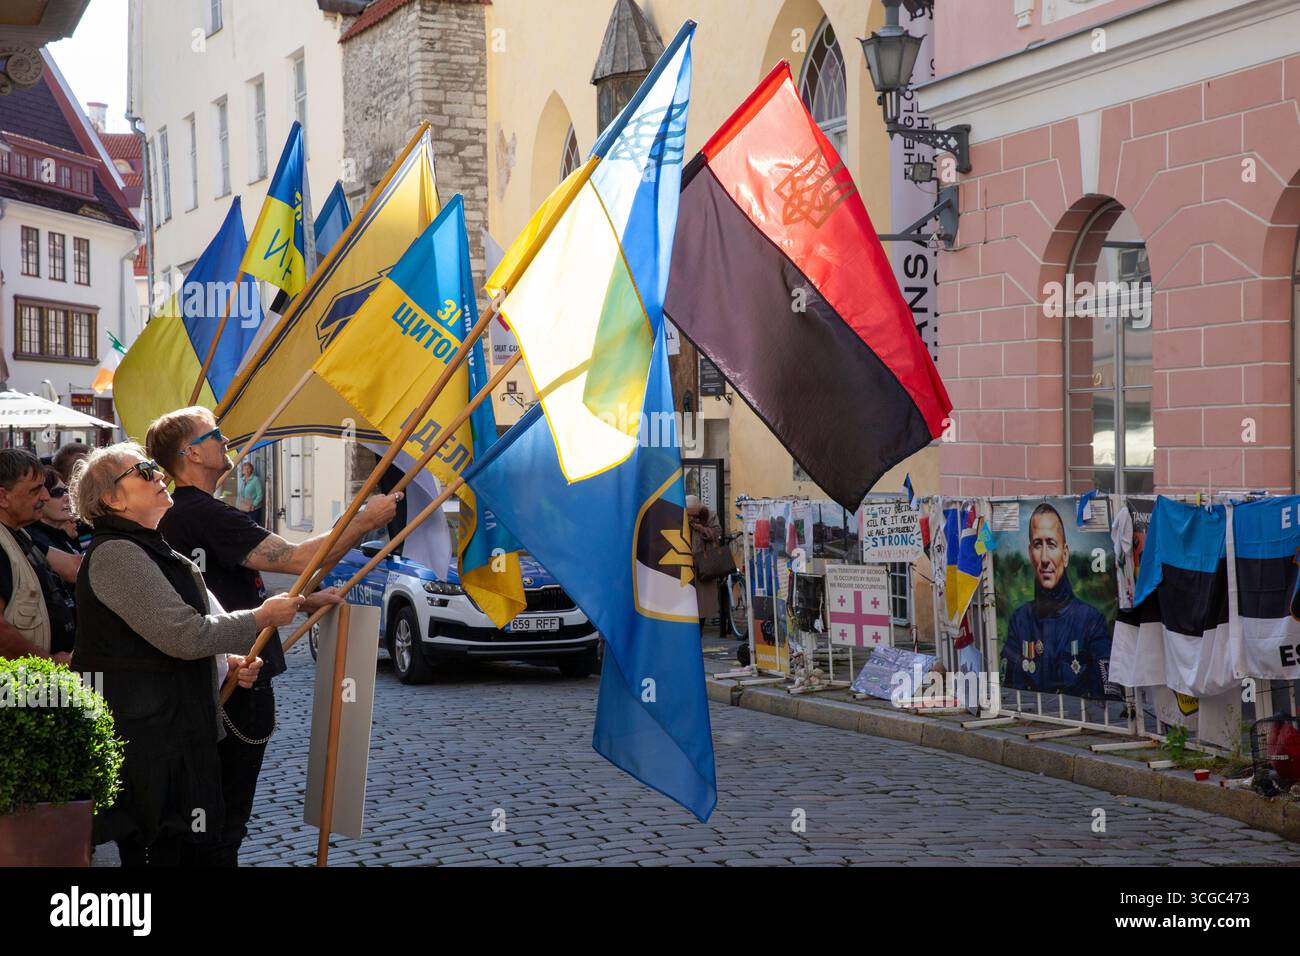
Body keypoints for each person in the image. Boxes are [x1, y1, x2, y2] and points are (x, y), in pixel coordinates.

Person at [145, 407, 397, 866]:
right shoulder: (205, 512)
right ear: (192, 453)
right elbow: (299, 559)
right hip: (237, 677)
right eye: (214, 435)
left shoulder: (182, 512)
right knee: (225, 817)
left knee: (205, 814)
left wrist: (302, 602)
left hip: (209, 672)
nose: (225, 440)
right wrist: (365, 517)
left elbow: (225, 586)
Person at [68, 443, 325, 866]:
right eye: (143, 471)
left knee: (194, 847)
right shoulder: (116, 553)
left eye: (153, 468)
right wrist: (261, 617)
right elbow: (183, 635)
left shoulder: (151, 546)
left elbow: (192, 630)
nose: (157, 476)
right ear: (112, 499)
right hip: (149, 743)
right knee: (164, 853)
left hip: (175, 732)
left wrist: (226, 666)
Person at [1001, 502, 1111, 697]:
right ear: (1030, 554)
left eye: (1051, 544)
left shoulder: (1091, 621)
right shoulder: (1020, 622)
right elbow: (1009, 694)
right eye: (1037, 545)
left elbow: (1109, 702)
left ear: (1065, 554)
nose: (1044, 558)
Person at [0, 449, 80, 662]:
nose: (45, 496)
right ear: (2, 497)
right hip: (23, 688)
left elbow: (74, 567)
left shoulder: (19, 533)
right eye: (35, 490)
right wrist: (50, 662)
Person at [687, 494, 723, 636]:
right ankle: (691, 631)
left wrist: (700, 528)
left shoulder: (710, 516)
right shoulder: (682, 517)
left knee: (702, 602)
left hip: (704, 563)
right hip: (687, 562)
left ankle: (699, 630)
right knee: (688, 600)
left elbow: (716, 533)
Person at [235, 461, 265, 527]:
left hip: (253, 509)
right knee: (243, 526)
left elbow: (260, 495)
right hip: (243, 508)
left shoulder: (255, 480)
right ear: (242, 471)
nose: (247, 470)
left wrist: (254, 505)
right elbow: (239, 495)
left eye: (248, 468)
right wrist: (237, 506)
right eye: (245, 469)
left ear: (252, 469)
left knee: (253, 527)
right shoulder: (241, 480)